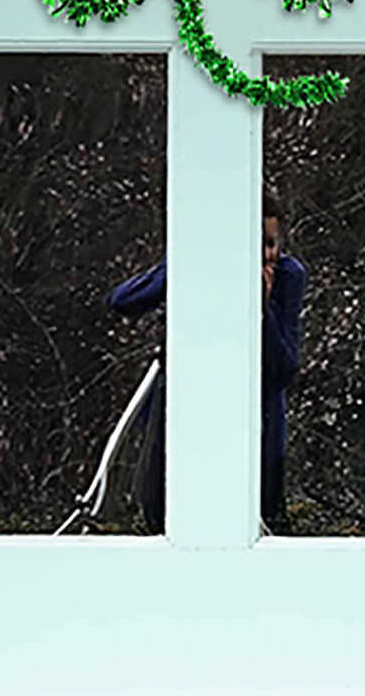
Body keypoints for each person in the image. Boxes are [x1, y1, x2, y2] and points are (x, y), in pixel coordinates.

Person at [106, 188, 306, 533]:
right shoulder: (201, 267)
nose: (264, 255)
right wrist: (189, 260)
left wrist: (262, 310)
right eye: (254, 243)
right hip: (186, 410)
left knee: (262, 517)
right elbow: (124, 300)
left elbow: (282, 370)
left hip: (258, 416)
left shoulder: (288, 276)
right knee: (163, 515)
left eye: (271, 243)